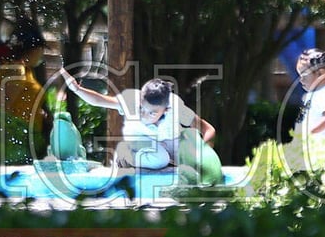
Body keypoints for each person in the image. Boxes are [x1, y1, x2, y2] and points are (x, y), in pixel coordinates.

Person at [59, 69, 224, 185]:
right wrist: (76, 88)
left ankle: (170, 160)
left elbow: (207, 129)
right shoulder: (132, 100)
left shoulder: (175, 106)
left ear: (166, 109)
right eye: (142, 108)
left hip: (168, 141)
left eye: (152, 113)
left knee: (189, 143)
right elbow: (99, 100)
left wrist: (204, 150)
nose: (144, 114)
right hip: (139, 143)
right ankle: (125, 156)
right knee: (160, 159)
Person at [294, 47, 325, 137]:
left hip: (319, 147)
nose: (301, 80)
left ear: (321, 74)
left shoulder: (324, 94)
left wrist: (310, 132)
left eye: (304, 75)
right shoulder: (312, 94)